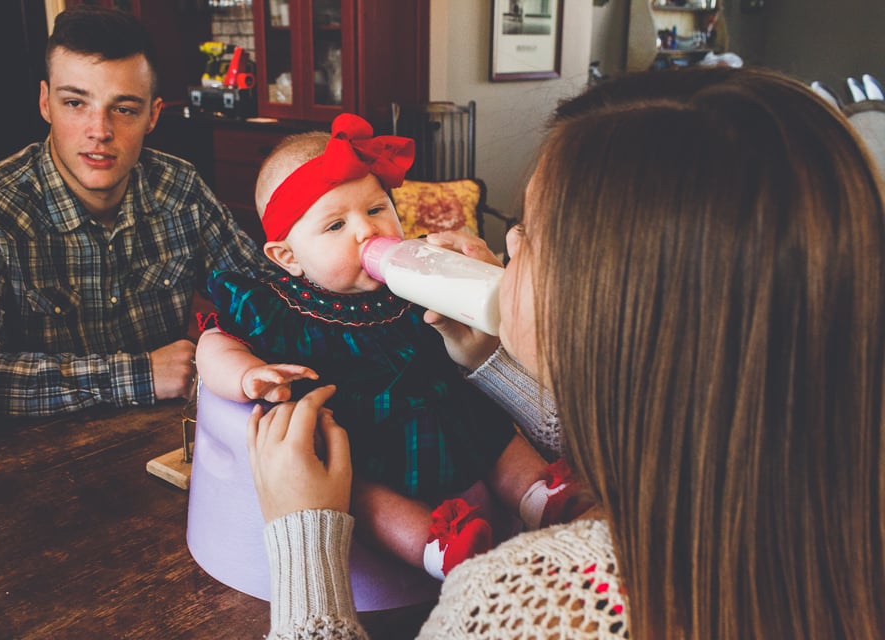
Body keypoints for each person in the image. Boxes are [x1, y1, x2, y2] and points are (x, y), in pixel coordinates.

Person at [246, 66, 885, 638]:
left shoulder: (522, 604)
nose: (507, 242)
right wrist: (494, 359)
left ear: (605, 313)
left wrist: (306, 538)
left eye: (529, 234)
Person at [195, 113, 589, 580]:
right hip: (361, 431)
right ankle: (438, 546)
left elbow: (485, 332)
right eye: (336, 225)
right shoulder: (274, 304)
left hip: (447, 405)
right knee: (358, 491)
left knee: (493, 431)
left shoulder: (417, 272)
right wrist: (245, 374)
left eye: (377, 210)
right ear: (288, 257)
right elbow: (212, 343)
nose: (367, 232)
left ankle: (540, 495)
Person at [0, 5, 274, 417]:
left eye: (124, 109)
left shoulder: (181, 189)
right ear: (45, 103)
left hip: (167, 440)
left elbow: (264, 296)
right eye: (75, 103)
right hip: (35, 460)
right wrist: (140, 374)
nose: (100, 131)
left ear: (152, 115)